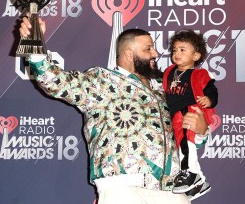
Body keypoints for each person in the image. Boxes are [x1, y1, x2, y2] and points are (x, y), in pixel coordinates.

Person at [19, 18, 211, 204]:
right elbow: (56, 82)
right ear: (129, 54)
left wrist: (201, 131)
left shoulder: (167, 87)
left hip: (172, 189)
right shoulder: (102, 80)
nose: (155, 54)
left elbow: (186, 136)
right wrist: (35, 43)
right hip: (122, 187)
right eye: (148, 49)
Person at [162, 29, 218, 199]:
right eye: (174, 50)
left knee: (187, 142)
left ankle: (190, 173)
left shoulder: (199, 74)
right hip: (175, 115)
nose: (177, 53)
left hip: (192, 111)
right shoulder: (170, 72)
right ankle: (199, 182)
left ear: (196, 56)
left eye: (182, 50)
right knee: (184, 145)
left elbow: (211, 89)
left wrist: (209, 100)